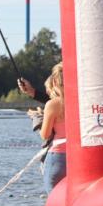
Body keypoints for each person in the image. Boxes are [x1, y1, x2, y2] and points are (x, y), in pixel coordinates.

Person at [39, 63, 66, 194]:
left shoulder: (53, 104)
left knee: (54, 201)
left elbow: (45, 134)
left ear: (55, 81)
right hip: (78, 156)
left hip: (58, 157)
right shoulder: (80, 100)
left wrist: (38, 119)